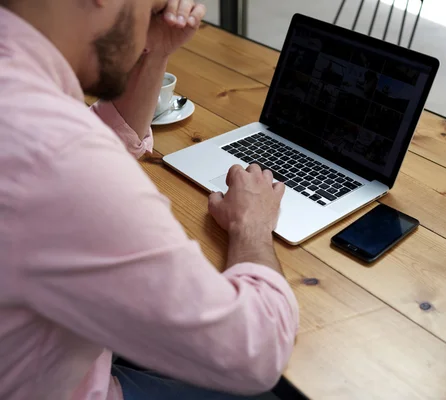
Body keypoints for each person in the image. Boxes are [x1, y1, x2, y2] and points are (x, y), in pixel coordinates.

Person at [0, 1, 299, 399]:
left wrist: (153, 52)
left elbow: (80, 152)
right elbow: (256, 351)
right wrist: (254, 228)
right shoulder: (56, 157)